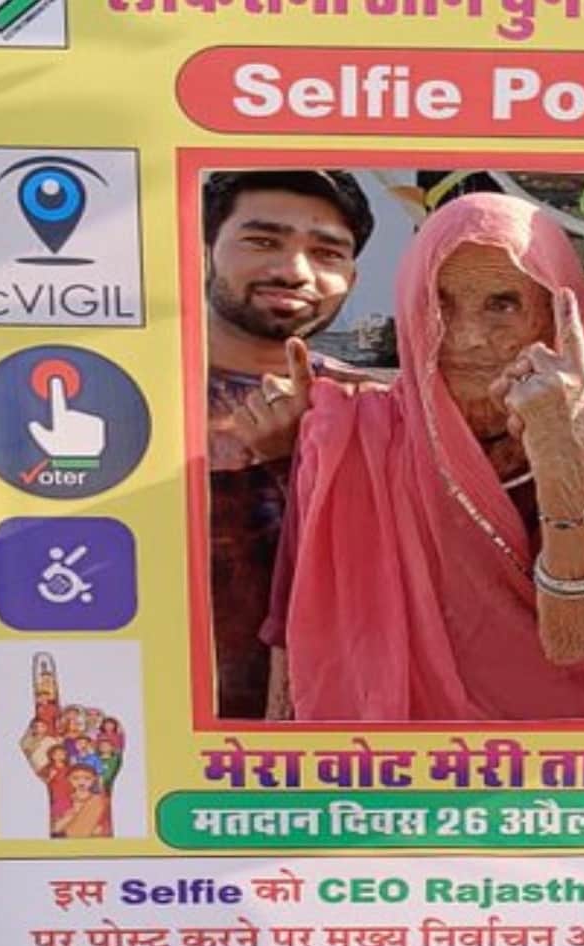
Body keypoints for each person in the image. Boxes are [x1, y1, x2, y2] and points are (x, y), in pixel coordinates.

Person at [268, 193, 584, 722]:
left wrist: (563, 460)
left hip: (578, 759)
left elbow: (580, 640)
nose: (468, 338)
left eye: (503, 305)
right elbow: (293, 632)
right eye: (439, 304)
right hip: (394, 763)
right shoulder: (347, 439)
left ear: (553, 318)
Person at [202, 170, 375, 718]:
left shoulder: (376, 408)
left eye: (327, 253)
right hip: (157, 727)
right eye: (262, 241)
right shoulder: (127, 397)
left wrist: (300, 459)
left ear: (352, 276)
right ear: (203, 250)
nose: (294, 271)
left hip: (332, 739)